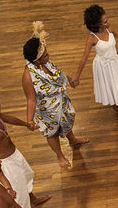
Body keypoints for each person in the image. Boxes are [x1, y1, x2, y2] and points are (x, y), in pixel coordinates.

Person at [22, 22, 88, 168]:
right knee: (52, 132)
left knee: (65, 121)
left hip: (60, 102)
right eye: (45, 54)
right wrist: (29, 120)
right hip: (47, 110)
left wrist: (70, 79)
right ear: (36, 60)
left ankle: (72, 140)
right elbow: (31, 100)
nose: (48, 55)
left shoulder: (46, 63)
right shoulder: (29, 76)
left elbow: (58, 74)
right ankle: (60, 155)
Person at [70, 5, 118, 117]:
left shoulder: (109, 29)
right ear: (97, 24)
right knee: (109, 87)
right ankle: (116, 108)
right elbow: (84, 58)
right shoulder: (92, 38)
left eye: (107, 20)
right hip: (103, 67)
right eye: (105, 22)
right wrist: (77, 76)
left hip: (115, 62)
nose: (108, 23)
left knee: (117, 84)